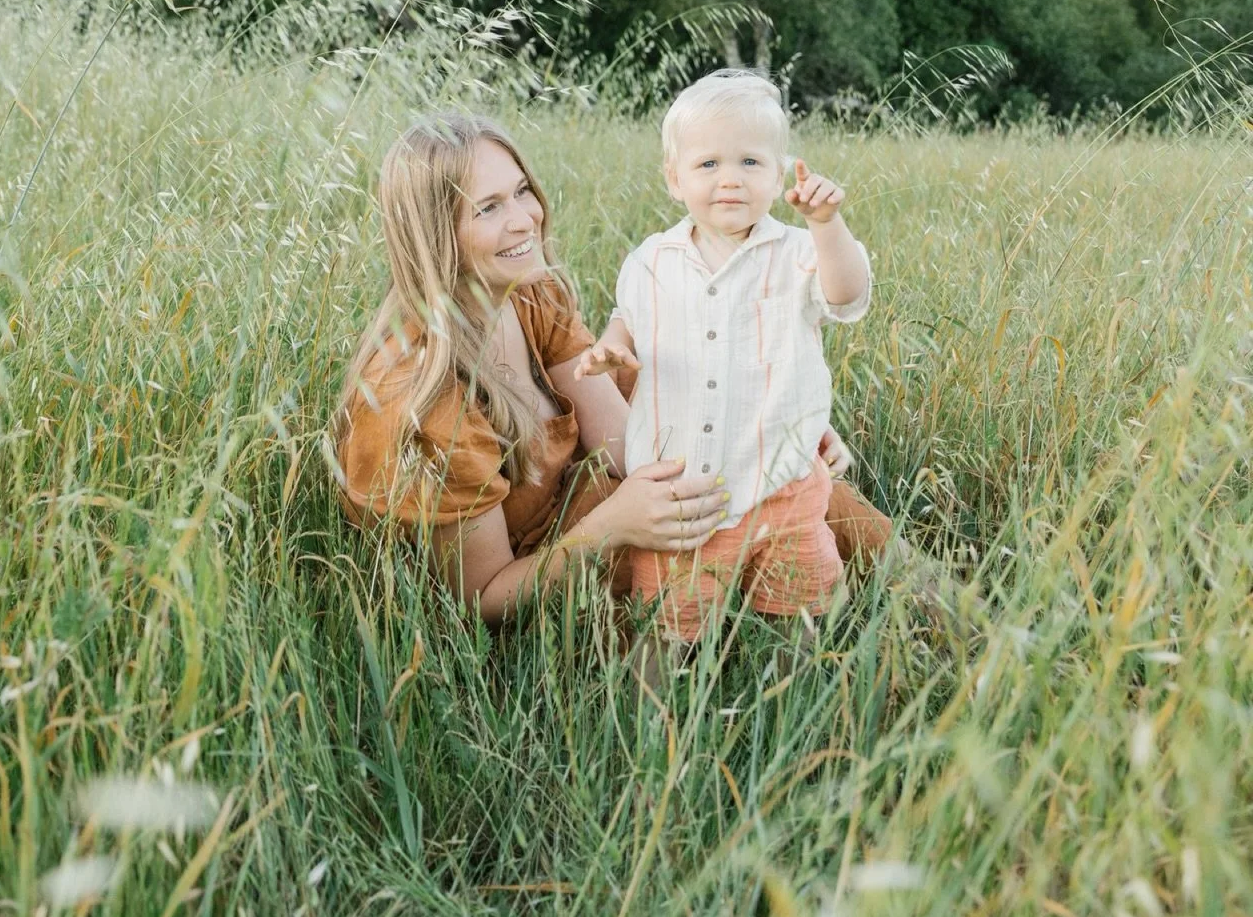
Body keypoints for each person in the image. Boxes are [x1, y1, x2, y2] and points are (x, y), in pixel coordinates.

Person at [331, 110, 892, 628]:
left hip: (597, 496)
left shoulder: (529, 294)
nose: (525, 219)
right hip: (550, 567)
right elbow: (482, 601)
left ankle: (932, 598)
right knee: (746, 510)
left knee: (786, 480)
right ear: (434, 235)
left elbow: (627, 442)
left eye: (522, 190)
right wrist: (613, 526)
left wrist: (760, 423)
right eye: (489, 207)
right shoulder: (423, 397)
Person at [575, 69, 890, 645]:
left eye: (750, 163)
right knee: (669, 632)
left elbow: (847, 297)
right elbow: (628, 319)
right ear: (674, 179)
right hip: (684, 501)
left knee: (800, 627)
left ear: (776, 175)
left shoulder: (798, 253)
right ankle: (655, 725)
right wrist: (612, 345)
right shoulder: (651, 260)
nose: (730, 180)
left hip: (784, 490)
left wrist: (827, 223)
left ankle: (794, 713)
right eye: (708, 164)